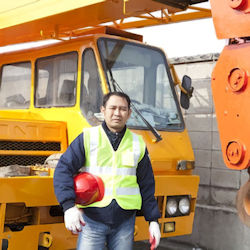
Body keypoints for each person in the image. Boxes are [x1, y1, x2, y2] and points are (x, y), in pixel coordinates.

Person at [53, 92, 161, 250]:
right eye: (113, 108)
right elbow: (63, 169)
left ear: (129, 113)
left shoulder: (138, 143)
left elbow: (146, 184)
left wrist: (153, 220)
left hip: (125, 223)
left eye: (123, 109)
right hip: (92, 221)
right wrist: (68, 206)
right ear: (103, 110)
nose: (117, 113)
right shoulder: (88, 137)